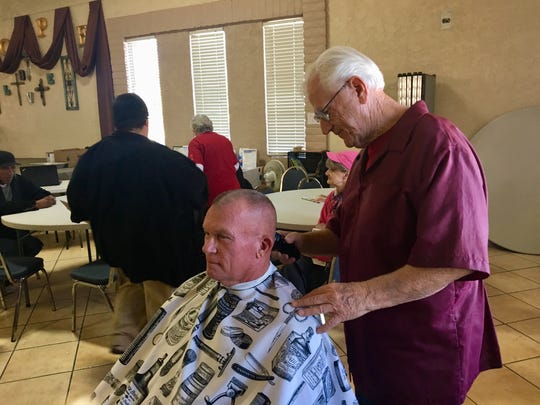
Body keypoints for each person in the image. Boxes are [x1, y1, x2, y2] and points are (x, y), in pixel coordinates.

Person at [279, 46, 502, 404]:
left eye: (325, 112)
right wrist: (299, 243)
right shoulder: (368, 154)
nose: (324, 127)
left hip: (423, 345)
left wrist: (357, 296)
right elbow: (344, 233)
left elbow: (452, 261)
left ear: (358, 88)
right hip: (374, 337)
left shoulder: (439, 145)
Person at [91, 189, 358, 404]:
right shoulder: (196, 286)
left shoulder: (295, 326)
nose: (206, 248)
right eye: (206, 234)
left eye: (222, 237)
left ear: (263, 246)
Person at [67, 93, 208, 354]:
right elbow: (198, 190)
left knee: (129, 285)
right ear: (146, 122)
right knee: (161, 305)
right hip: (161, 250)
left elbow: (77, 203)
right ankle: (159, 354)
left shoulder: (94, 156)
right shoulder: (165, 158)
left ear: (115, 122)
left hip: (118, 248)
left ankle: (124, 340)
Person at [280, 149, 358, 294]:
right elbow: (320, 226)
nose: (326, 172)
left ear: (347, 174)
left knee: (290, 274)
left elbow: (334, 236)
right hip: (318, 255)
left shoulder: (355, 202)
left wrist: (324, 231)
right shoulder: (331, 198)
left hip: (331, 264)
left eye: (332, 170)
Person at [0, 150, 56, 257]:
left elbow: (39, 192)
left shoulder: (17, 180)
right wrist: (34, 204)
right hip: (2, 233)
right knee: (16, 250)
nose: (10, 172)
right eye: (5, 168)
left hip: (16, 230)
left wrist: (48, 198)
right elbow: (3, 208)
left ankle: (17, 270)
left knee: (33, 245)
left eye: (12, 167)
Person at [188, 114, 240, 204]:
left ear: (194, 129)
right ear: (211, 126)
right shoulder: (225, 140)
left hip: (213, 193)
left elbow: (197, 169)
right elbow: (236, 166)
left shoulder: (196, 143)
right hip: (233, 191)